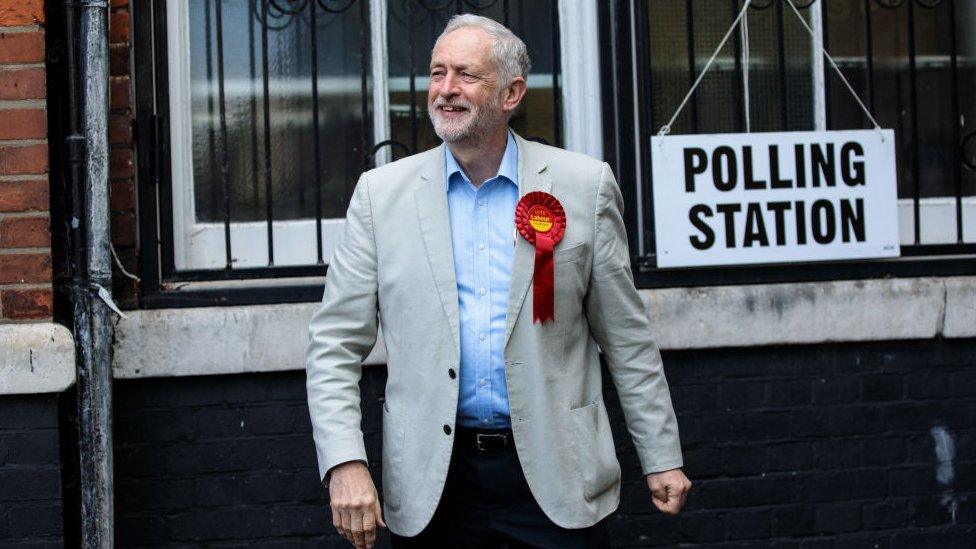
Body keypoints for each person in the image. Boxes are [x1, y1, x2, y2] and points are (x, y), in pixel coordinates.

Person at [306, 14, 690, 549]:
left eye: (466, 74)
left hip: (556, 477)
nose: (445, 90)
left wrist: (662, 455)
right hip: (432, 485)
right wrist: (345, 461)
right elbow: (333, 345)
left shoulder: (583, 186)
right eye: (437, 73)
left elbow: (627, 339)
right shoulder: (379, 196)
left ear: (511, 92)